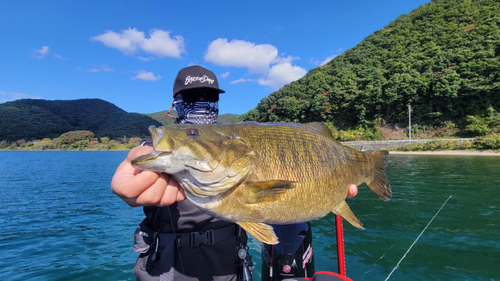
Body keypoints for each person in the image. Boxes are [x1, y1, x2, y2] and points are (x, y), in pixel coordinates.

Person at [111, 65, 359, 281]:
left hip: (230, 267)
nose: (201, 101)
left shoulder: (231, 139)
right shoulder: (160, 147)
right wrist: (130, 174)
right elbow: (137, 157)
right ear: (175, 103)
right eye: (191, 96)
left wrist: (328, 186)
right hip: (166, 269)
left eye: (208, 96)